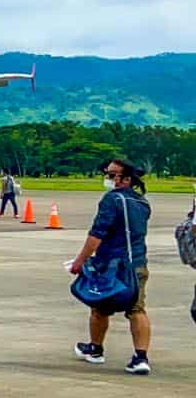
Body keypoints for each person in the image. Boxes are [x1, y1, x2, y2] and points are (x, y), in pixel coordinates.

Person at [70, 159, 154, 375]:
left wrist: (80, 261)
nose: (107, 178)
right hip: (137, 263)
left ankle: (96, 350)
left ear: (125, 178)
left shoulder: (112, 199)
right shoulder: (142, 203)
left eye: (111, 174)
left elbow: (97, 233)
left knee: (99, 307)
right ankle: (140, 357)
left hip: (112, 265)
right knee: (136, 309)